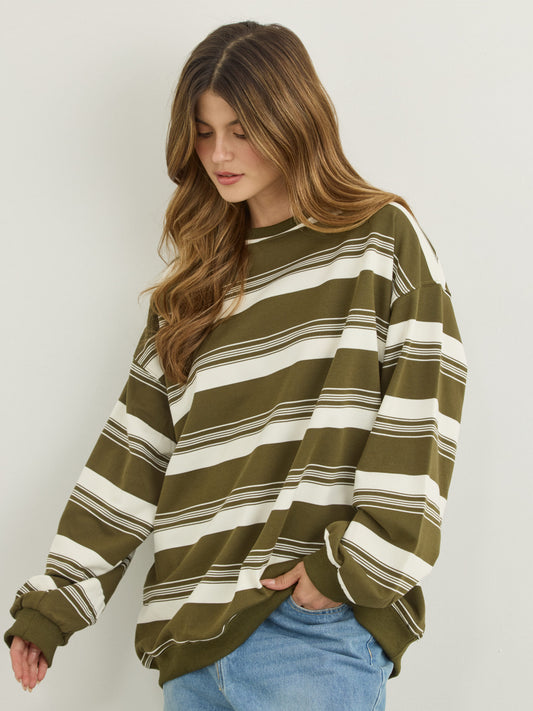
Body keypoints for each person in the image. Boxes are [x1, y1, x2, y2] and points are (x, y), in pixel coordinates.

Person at [5, 20, 467, 711]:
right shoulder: (191, 294)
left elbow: (421, 407)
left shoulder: (377, 242)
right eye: (203, 132)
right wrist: (55, 603)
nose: (219, 153)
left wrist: (350, 568)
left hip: (310, 634)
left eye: (242, 130)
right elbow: (133, 454)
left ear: (293, 118)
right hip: (190, 646)